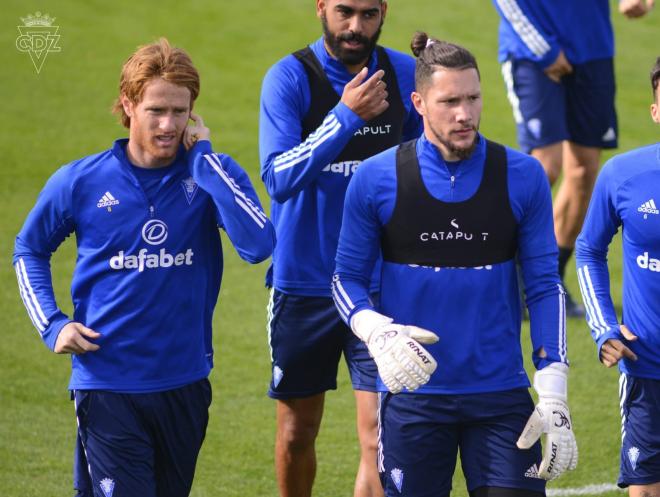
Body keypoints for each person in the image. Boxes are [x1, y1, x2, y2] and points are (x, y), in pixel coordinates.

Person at [13, 38, 275, 497]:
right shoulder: (80, 181)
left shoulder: (212, 171)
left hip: (185, 382)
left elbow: (257, 245)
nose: (168, 124)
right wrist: (52, 325)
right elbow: (28, 249)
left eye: (180, 111)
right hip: (107, 383)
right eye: (156, 110)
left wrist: (207, 163)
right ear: (128, 104)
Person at [332, 32, 578, 497]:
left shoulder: (522, 176)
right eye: (450, 102)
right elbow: (346, 279)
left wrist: (554, 388)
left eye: (473, 98)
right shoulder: (375, 178)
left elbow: (545, 286)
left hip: (501, 397)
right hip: (415, 398)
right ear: (419, 103)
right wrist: (375, 330)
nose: (464, 114)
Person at [258, 1, 422, 495]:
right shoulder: (289, 78)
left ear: (384, 12)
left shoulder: (403, 72)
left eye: (369, 14)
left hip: (377, 287)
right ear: (321, 8)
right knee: (296, 433)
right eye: (344, 12)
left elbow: (425, 166)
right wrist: (345, 117)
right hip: (304, 284)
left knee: (379, 438)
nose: (355, 27)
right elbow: (279, 177)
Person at [492, 0, 654, 316]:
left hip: (592, 48)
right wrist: (545, 50)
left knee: (583, 172)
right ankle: (495, 271)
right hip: (532, 50)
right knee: (545, 165)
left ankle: (547, 280)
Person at [575, 57, 660, 497]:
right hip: (648, 365)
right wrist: (603, 326)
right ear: (655, 111)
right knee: (645, 490)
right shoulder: (623, 175)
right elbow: (588, 249)